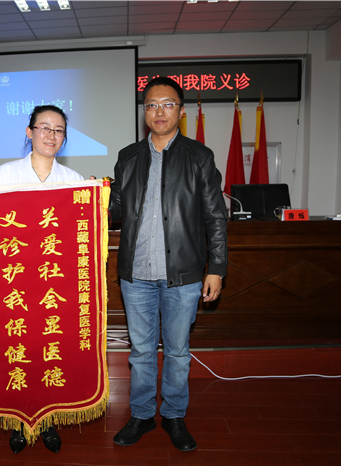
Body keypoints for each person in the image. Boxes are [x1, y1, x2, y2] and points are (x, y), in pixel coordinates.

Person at [108, 77, 228, 452]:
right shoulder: (128, 157)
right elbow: (114, 212)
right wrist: (95, 196)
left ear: (181, 110)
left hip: (184, 275)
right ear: (144, 111)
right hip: (136, 275)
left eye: (168, 104)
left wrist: (217, 268)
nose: (159, 112)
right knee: (141, 352)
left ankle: (174, 416)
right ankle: (142, 415)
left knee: (177, 352)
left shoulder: (199, 156)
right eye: (151, 105)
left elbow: (215, 217)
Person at [0, 104, 83, 454]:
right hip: (14, 284)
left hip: (53, 286)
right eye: (44, 127)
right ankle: (18, 422)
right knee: (18, 354)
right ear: (29, 132)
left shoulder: (74, 181)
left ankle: (48, 420)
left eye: (59, 130)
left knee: (51, 353)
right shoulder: (3, 175)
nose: (51, 135)